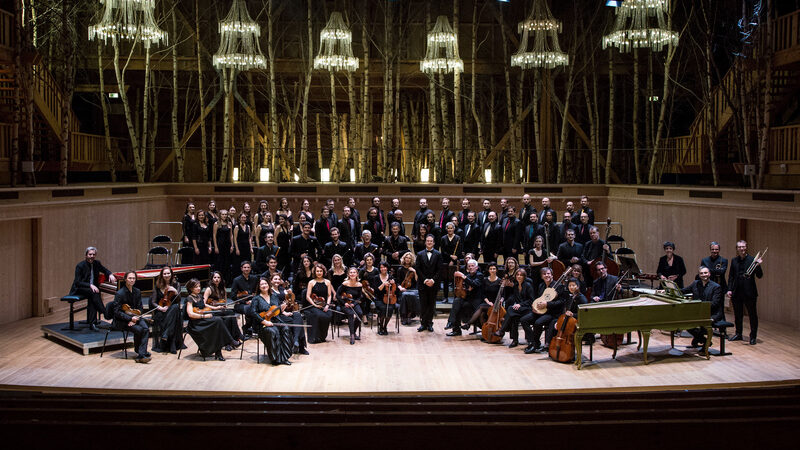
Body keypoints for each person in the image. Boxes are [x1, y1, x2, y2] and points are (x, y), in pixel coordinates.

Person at [185, 278, 236, 361]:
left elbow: (205, 306)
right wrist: (204, 317)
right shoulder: (189, 299)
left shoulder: (199, 296)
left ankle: (219, 352)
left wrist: (216, 308)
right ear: (191, 288)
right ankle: (229, 341)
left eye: (199, 286)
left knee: (218, 324)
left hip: (202, 322)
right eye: (195, 287)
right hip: (196, 324)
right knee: (218, 321)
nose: (198, 288)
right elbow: (190, 314)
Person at [69, 246, 116, 331]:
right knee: (93, 292)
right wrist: (90, 285)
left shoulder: (97, 263)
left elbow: (105, 270)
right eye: (90, 254)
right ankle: (105, 313)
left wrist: (110, 274)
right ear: (86, 255)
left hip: (91, 290)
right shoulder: (80, 266)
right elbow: (77, 282)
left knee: (92, 297)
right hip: (80, 288)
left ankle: (92, 323)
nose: (92, 256)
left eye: (94, 254)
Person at [248, 277, 292, 365]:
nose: (264, 286)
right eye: (262, 284)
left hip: (275, 320)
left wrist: (282, 308)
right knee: (273, 331)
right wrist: (265, 322)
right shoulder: (256, 299)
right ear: (258, 286)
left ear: (268, 284)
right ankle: (275, 359)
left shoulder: (274, 296)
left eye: (265, 284)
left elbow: (277, 310)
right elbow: (253, 313)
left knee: (285, 328)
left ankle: (284, 357)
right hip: (261, 324)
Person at [726, 240, 763, 345]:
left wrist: (758, 265)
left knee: (752, 315)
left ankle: (753, 337)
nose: (741, 249)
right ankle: (738, 334)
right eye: (739, 247)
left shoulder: (752, 260)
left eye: (743, 247)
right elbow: (731, 276)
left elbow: (760, 276)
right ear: (737, 249)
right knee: (738, 314)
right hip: (737, 292)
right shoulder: (734, 260)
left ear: (746, 247)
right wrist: (729, 289)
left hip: (749, 292)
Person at [521, 267, 565, 354]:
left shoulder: (558, 286)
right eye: (544, 274)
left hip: (553, 313)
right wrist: (535, 308)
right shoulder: (541, 286)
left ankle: (535, 344)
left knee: (538, 323)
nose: (546, 275)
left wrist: (547, 304)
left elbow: (561, 302)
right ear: (541, 276)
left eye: (548, 273)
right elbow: (539, 299)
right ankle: (532, 342)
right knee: (524, 320)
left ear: (552, 275)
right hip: (541, 311)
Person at [109, 271, 150, 363]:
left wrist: (136, 318)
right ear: (125, 279)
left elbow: (140, 308)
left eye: (133, 278)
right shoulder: (120, 293)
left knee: (146, 329)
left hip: (136, 317)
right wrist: (130, 319)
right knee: (140, 330)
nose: (132, 280)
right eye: (130, 278)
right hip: (122, 320)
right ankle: (141, 355)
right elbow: (116, 312)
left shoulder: (137, 291)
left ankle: (140, 351)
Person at [681, 266, 724, 348]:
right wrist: (668, 290)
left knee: (703, 324)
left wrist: (699, 307)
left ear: (709, 274)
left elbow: (715, 303)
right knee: (686, 324)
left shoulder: (716, 287)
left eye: (705, 273)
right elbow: (683, 291)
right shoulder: (695, 284)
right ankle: (704, 341)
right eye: (701, 273)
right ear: (699, 275)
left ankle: (703, 344)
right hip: (699, 312)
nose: (704, 275)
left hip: (712, 313)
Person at [492, 268, 535, 348]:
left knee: (511, 310)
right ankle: (515, 340)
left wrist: (520, 305)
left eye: (521, 275)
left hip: (527, 309)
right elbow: (514, 298)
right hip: (520, 310)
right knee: (514, 317)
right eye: (517, 275)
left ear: (524, 276)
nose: (519, 276)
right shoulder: (515, 286)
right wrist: (502, 299)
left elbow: (531, 300)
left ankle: (502, 330)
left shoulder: (528, 286)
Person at [268, 273, 308, 355]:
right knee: (298, 322)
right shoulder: (270, 292)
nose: (277, 281)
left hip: (285, 312)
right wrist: (284, 312)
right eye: (275, 279)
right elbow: (273, 306)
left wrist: (290, 295)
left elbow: (290, 301)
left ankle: (296, 341)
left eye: (279, 279)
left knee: (297, 315)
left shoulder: (282, 289)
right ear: (271, 281)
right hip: (277, 315)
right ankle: (300, 347)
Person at [203, 271, 244, 349]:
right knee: (231, 314)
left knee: (230, 318)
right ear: (211, 279)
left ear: (221, 279)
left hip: (220, 311)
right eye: (215, 277)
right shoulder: (209, 289)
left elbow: (224, 302)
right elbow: (203, 303)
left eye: (218, 277)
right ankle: (237, 336)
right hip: (212, 311)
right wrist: (215, 308)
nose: (217, 279)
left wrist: (224, 306)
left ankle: (229, 343)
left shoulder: (223, 289)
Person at [446, 259, 483, 336]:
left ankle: (454, 327)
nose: (470, 267)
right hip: (469, 299)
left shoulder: (479, 275)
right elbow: (466, 289)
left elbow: (474, 284)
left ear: (476, 267)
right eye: (469, 266)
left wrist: (464, 277)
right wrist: (468, 289)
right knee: (457, 302)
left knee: (459, 306)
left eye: (472, 266)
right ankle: (451, 323)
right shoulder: (468, 276)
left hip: (477, 301)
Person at [151, 266, 183, 353]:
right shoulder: (157, 285)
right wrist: (160, 308)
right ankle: (172, 344)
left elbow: (179, 300)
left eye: (168, 273)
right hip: (161, 311)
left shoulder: (177, 284)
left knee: (175, 307)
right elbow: (153, 301)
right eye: (164, 273)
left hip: (172, 309)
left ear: (171, 274)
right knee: (171, 317)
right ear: (162, 275)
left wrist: (176, 292)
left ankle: (165, 334)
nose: (166, 275)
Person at [463, 263, 501, 331]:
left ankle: (468, 324)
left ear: (496, 270)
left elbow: (502, 295)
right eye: (491, 269)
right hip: (487, 302)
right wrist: (488, 302)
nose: (492, 270)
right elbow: (483, 294)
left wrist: (498, 302)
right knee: (482, 314)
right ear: (488, 270)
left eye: (494, 269)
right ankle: (485, 333)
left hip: (496, 304)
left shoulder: (500, 281)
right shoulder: (485, 280)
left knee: (480, 307)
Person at [415, 235, 441, 332]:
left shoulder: (438, 254)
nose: (429, 242)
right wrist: (425, 280)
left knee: (431, 304)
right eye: (427, 241)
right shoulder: (420, 254)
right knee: (423, 304)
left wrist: (432, 280)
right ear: (425, 242)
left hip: (433, 284)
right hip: (423, 283)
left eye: (431, 241)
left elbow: (439, 270)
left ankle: (430, 323)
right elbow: (418, 269)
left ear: (434, 243)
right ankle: (423, 324)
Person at [305, 263, 334, 343]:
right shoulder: (311, 282)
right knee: (319, 315)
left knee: (328, 316)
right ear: (315, 272)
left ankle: (322, 337)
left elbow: (329, 296)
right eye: (317, 271)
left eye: (321, 271)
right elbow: (307, 296)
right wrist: (314, 304)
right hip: (313, 305)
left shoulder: (327, 282)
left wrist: (327, 305)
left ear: (323, 272)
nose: (319, 273)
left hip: (325, 305)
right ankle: (315, 337)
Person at [228, 260, 258, 336]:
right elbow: (233, 296)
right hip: (241, 304)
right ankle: (247, 327)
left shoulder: (255, 278)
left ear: (251, 268)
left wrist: (253, 299)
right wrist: (244, 302)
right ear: (241, 268)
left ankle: (252, 328)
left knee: (256, 307)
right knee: (249, 308)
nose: (246, 269)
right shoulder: (236, 280)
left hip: (253, 302)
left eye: (248, 267)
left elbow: (257, 292)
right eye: (244, 267)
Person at [337, 267, 365, 344]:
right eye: (351, 272)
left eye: (354, 272)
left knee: (360, 313)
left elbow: (359, 297)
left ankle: (354, 331)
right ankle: (352, 335)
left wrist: (354, 304)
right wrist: (344, 303)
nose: (352, 274)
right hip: (344, 303)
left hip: (353, 303)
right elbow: (338, 295)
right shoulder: (345, 283)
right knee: (350, 314)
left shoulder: (359, 284)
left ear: (357, 274)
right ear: (348, 274)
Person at [440, 222, 462, 303]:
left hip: (455, 262)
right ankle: (445, 297)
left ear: (454, 229)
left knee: (455, 280)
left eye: (451, 228)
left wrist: (454, 259)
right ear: (446, 229)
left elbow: (459, 250)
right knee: (445, 280)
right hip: (445, 262)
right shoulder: (443, 238)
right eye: (448, 228)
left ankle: (456, 297)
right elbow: (443, 251)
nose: (450, 230)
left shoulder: (458, 238)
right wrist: (450, 257)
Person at [373, 262, 397, 336]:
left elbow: (395, 290)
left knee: (390, 308)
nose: (383, 269)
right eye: (381, 267)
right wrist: (383, 284)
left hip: (390, 298)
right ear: (379, 269)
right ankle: (380, 327)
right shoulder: (376, 277)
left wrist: (394, 283)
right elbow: (376, 290)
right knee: (383, 308)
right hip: (379, 298)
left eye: (384, 267)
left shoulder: (391, 277)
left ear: (387, 268)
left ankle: (385, 326)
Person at [396, 252, 419, 325]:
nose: (408, 259)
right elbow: (397, 282)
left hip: (413, 289)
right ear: (404, 258)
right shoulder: (400, 269)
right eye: (406, 258)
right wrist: (400, 288)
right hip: (403, 289)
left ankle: (409, 315)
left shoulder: (414, 269)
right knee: (404, 295)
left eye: (409, 258)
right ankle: (404, 316)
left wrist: (414, 272)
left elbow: (417, 280)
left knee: (412, 295)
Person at [213, 209, 234, 283]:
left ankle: (227, 281)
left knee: (227, 263)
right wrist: (215, 246)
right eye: (223, 214)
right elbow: (214, 236)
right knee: (220, 263)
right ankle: (219, 280)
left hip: (227, 245)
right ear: (220, 215)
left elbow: (231, 235)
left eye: (225, 214)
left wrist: (232, 245)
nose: (224, 216)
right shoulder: (216, 223)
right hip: (220, 245)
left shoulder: (229, 223)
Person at [232, 212, 253, 278]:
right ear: (239, 219)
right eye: (242, 218)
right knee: (239, 263)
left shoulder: (248, 226)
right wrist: (237, 249)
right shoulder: (237, 227)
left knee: (247, 262)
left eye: (244, 218)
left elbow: (249, 238)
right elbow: (234, 238)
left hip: (246, 247)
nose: (244, 219)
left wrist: (251, 247)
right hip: (239, 247)